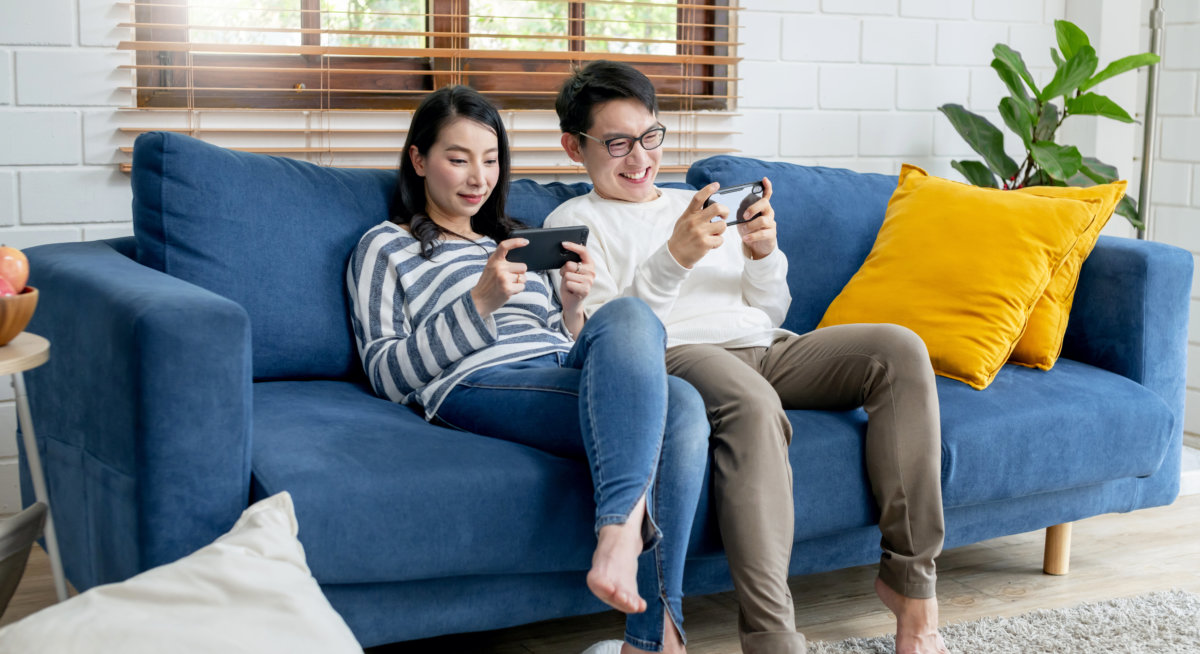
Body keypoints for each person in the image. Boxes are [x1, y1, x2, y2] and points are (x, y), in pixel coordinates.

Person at [544, 61, 951, 654]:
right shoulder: (575, 223)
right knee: (754, 403)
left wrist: (762, 254)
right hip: (678, 356)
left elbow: (769, 311)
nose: (639, 158)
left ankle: (913, 589)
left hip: (764, 347)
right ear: (574, 148)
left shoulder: (700, 202)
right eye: (617, 143)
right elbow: (611, 340)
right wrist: (674, 258)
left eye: (649, 136)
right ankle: (772, 638)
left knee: (898, 350)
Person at [346, 85, 709, 654]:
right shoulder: (385, 246)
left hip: (554, 364)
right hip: (471, 381)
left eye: (490, 160)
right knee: (678, 408)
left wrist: (570, 307)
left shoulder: (515, 242)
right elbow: (386, 374)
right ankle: (625, 549)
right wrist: (479, 303)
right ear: (419, 160)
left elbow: (563, 343)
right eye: (457, 158)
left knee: (640, 334)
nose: (477, 177)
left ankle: (646, 642)